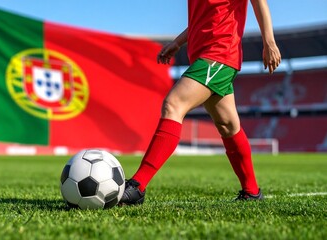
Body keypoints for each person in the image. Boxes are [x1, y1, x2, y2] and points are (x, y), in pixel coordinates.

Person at [119, 0, 281, 205]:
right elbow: (204, 18)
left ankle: (137, 186)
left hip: (220, 54)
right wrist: (178, 42)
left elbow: (259, 2)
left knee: (174, 104)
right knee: (228, 125)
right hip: (204, 56)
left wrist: (269, 42)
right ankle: (252, 192)